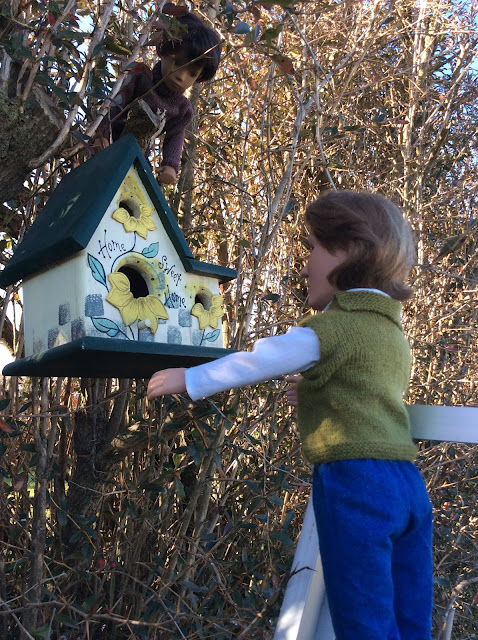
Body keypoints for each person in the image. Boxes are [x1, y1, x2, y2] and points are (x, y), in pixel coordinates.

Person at [147, 190, 433, 640]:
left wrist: (191, 378)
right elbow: (367, 393)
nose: (304, 266)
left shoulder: (334, 327)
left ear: (349, 249)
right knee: (410, 612)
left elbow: (263, 359)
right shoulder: (391, 333)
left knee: (364, 618)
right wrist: (318, 394)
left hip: (357, 482)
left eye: (313, 248)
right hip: (408, 485)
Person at [98, 12, 221, 184]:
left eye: (192, 73)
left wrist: (170, 165)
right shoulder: (140, 78)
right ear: (164, 51)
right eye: (177, 62)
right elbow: (113, 105)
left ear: (200, 77)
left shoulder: (182, 109)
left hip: (137, 157)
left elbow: (175, 136)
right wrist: (102, 134)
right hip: (110, 144)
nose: (181, 77)